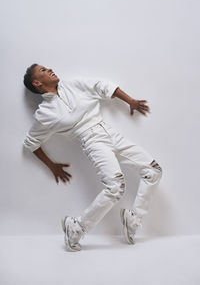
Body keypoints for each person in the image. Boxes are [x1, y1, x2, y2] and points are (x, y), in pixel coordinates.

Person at [23, 63, 162, 252]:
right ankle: (77, 227)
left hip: (111, 132)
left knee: (153, 170)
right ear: (37, 82)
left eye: (47, 67)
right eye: (43, 70)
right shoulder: (45, 114)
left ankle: (134, 219)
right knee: (115, 188)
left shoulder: (73, 85)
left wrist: (130, 101)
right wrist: (51, 165)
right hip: (92, 141)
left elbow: (102, 86)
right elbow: (31, 143)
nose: (49, 69)